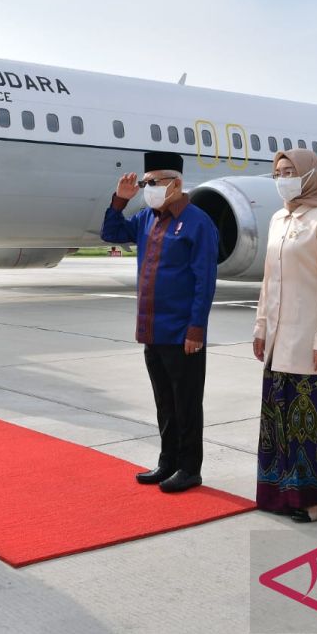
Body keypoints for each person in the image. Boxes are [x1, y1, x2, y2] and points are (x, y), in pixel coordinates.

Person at [101, 151, 219, 494]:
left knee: (186, 402)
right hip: (152, 329)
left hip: (183, 332)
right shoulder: (145, 218)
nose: (147, 188)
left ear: (177, 184)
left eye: (153, 183)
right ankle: (168, 461)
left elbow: (204, 281)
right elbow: (111, 233)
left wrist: (196, 328)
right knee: (164, 402)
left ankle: (189, 468)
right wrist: (120, 202)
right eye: (145, 183)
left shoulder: (198, 223)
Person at [253, 149, 317, 523]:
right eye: (278, 172)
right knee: (279, 420)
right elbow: (269, 279)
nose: (282, 178)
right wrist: (261, 326)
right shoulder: (279, 218)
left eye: (289, 172)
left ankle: (313, 499)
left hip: (310, 339)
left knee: (307, 421)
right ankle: (280, 491)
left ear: (310, 175)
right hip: (279, 338)